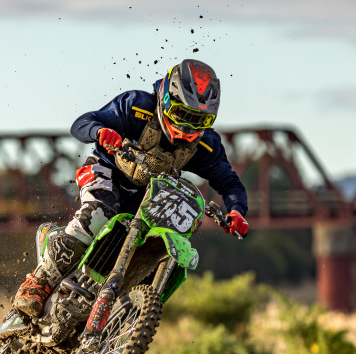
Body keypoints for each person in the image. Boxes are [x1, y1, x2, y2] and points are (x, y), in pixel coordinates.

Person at [13, 59, 249, 318]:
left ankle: (121, 315)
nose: (187, 127)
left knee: (156, 242)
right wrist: (100, 131)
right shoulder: (136, 105)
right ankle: (38, 282)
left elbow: (230, 183)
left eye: (200, 120)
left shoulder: (207, 145)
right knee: (99, 211)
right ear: (166, 99)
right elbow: (82, 122)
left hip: (150, 196)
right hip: (107, 171)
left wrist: (237, 211)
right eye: (182, 114)